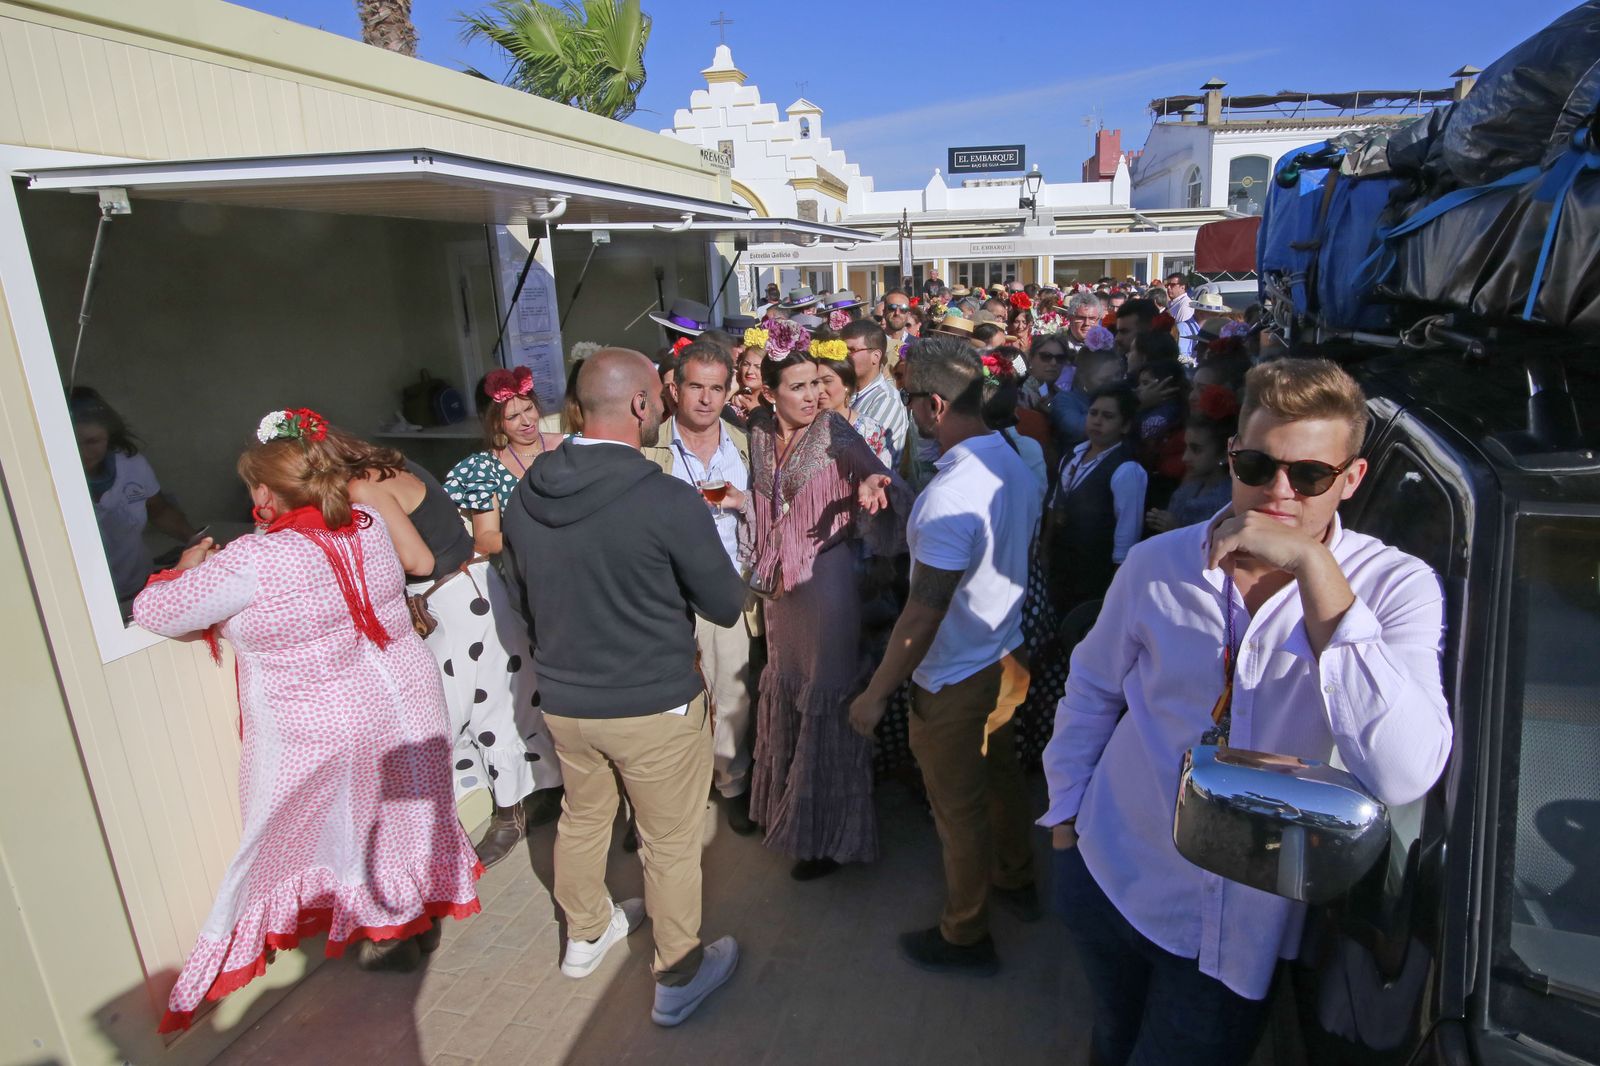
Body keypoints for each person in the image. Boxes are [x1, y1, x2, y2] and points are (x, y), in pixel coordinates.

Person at [1042, 358, 1452, 1066]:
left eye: (1310, 477)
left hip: (1237, 925)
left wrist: (1318, 575)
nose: (1277, 492)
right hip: (1113, 870)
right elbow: (1093, 687)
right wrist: (1064, 814)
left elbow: (1404, 769)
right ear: (1233, 457)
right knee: (1111, 1036)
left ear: (1350, 480)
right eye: (1259, 465)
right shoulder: (1157, 565)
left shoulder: (1395, 589)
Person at [133, 408, 481, 1032]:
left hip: (328, 717)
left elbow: (159, 610)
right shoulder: (367, 523)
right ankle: (413, 921)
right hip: (401, 693)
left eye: (251, 488)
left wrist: (184, 569)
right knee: (402, 816)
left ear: (265, 493)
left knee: (342, 831)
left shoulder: (257, 560)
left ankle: (390, 934)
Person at [500, 348, 747, 1027]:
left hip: (569, 702)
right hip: (653, 704)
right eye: (662, 393)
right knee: (669, 845)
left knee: (584, 817)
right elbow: (724, 603)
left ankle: (585, 933)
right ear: (642, 405)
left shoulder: (528, 487)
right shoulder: (664, 496)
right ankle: (679, 975)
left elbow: (525, 590)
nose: (669, 401)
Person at [849, 336, 1042, 975]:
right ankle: (1015, 879)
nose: (907, 415)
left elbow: (922, 614)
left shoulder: (951, 493)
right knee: (1001, 780)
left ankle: (965, 934)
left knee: (958, 812)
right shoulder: (1015, 458)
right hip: (1006, 653)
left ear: (932, 406)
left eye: (908, 402)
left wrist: (876, 694)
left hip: (958, 671)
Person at [338, 426, 561, 867]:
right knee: (494, 702)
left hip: (457, 601)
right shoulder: (390, 465)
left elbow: (417, 560)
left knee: (480, 709)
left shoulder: (362, 486)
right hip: (469, 590)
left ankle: (509, 812)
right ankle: (529, 799)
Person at [741, 320, 907, 881]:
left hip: (827, 580)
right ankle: (788, 813)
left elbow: (889, 483)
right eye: (800, 386)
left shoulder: (838, 432)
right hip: (781, 591)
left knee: (828, 701)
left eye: (817, 383)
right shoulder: (759, 430)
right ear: (768, 394)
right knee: (787, 692)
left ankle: (829, 835)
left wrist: (872, 493)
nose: (814, 395)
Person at [652, 341, 759, 835]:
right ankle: (663, 803)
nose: (706, 399)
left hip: (729, 588)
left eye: (717, 388)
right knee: (667, 702)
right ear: (675, 388)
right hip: (665, 593)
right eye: (696, 386)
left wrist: (745, 504)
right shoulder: (649, 447)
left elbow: (771, 515)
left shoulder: (746, 444)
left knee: (733, 692)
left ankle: (733, 783)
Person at [71, 387, 197, 607]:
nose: (83, 452)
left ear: (109, 437)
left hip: (138, 585)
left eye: (92, 442)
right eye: (74, 442)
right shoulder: (54, 480)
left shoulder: (131, 464)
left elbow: (159, 510)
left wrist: (195, 540)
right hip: (88, 602)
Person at [1044, 385, 1147, 617]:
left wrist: (1116, 584)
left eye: (1108, 416)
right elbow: (1055, 503)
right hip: (1061, 565)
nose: (1098, 421)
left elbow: (1127, 534)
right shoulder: (1073, 454)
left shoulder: (1127, 469)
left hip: (1094, 573)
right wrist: (1045, 550)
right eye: (1093, 413)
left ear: (1126, 425)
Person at [1145, 399, 1237, 533]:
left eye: (1196, 450)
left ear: (1224, 454)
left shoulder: (1228, 504)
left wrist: (1176, 530)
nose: (1185, 457)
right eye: (1186, 448)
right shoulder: (1185, 491)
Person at [841, 318, 911, 466]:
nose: (843, 357)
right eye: (841, 350)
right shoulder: (846, 392)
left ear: (876, 356)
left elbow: (863, 456)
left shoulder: (887, 399)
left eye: (851, 350)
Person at [814, 342, 892, 465]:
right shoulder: (803, 426)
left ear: (847, 386)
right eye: (813, 383)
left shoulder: (869, 430)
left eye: (827, 381)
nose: (819, 390)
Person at [1049, 348, 1126, 451]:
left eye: (1118, 375)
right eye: (1105, 380)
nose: (1115, 383)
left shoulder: (1124, 394)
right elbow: (1078, 428)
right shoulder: (1065, 399)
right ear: (1083, 378)